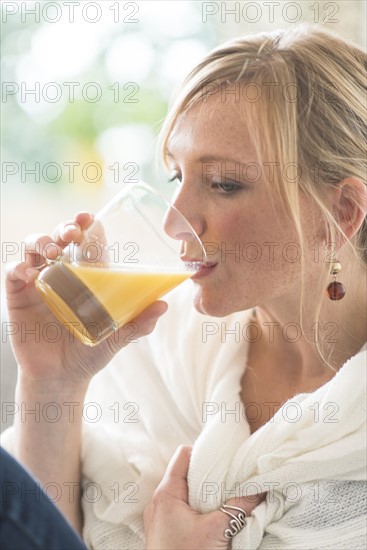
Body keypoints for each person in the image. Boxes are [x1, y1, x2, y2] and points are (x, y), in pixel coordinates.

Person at [2, 24, 366, 549]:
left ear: (343, 211)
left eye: (223, 184)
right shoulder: (167, 349)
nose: (174, 221)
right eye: (177, 177)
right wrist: (51, 382)